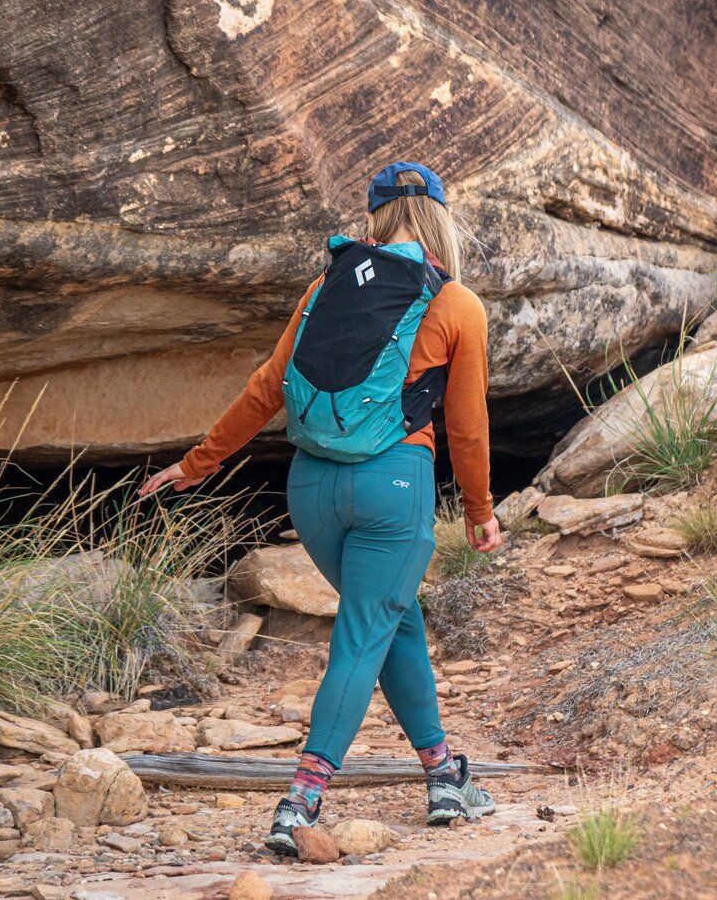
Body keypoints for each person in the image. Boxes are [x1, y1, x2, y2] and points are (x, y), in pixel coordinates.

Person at [138, 161, 502, 856]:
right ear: (439, 219)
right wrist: (480, 509)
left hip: (311, 492)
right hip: (392, 487)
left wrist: (196, 463)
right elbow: (468, 426)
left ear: (374, 218)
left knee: (391, 618)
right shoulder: (456, 303)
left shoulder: (324, 288)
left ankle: (445, 776)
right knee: (367, 631)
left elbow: (264, 388)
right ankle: (298, 800)